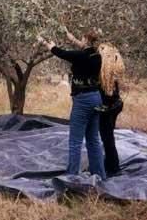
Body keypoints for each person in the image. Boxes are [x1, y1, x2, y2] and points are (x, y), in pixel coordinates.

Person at [38, 28, 106, 180]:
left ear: (86, 40)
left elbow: (61, 53)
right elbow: (82, 48)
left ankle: (71, 177)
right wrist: (70, 36)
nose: (79, 42)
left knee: (75, 141)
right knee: (93, 139)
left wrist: (47, 44)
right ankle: (100, 174)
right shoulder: (97, 55)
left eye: (81, 39)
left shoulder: (80, 56)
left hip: (83, 100)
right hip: (96, 97)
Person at [97, 42, 126, 177]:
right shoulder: (112, 67)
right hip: (114, 106)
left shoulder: (105, 71)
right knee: (108, 137)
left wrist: (100, 109)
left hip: (109, 108)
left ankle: (113, 167)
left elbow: (107, 96)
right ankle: (110, 163)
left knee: (107, 137)